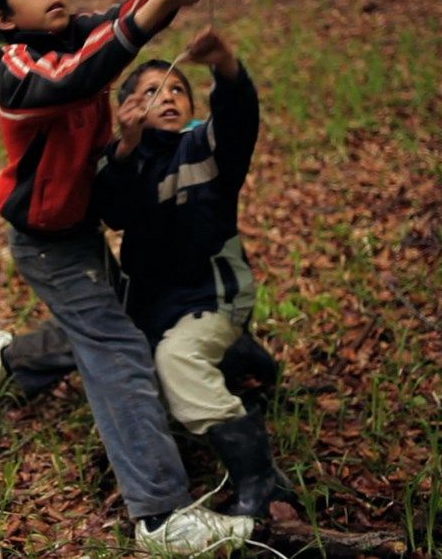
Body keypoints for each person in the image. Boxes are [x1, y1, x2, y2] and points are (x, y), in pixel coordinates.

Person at [0, 0, 257, 555]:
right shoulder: (18, 70)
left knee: (103, 324)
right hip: (46, 243)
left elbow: (121, 17)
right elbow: (88, 66)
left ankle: (10, 359)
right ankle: (160, 515)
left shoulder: (72, 34)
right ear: (2, 17)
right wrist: (163, 3)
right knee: (119, 347)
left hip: (80, 228)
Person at [94, 27, 299, 518]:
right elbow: (112, 210)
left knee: (178, 363)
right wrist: (125, 146)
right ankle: (240, 359)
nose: (166, 97)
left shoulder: (205, 146)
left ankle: (261, 481)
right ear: (127, 111)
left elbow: (238, 119)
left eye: (176, 90)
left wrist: (225, 66)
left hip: (212, 297)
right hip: (151, 303)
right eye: (149, 92)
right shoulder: (126, 160)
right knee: (137, 382)